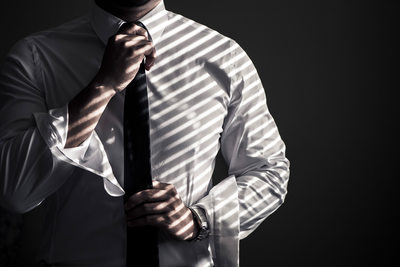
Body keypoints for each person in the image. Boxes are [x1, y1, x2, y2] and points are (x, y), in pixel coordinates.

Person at [0, 0, 290, 266]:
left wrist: (199, 220)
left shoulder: (223, 56)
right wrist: (102, 86)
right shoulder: (36, 58)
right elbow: (15, 190)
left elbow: (269, 171)